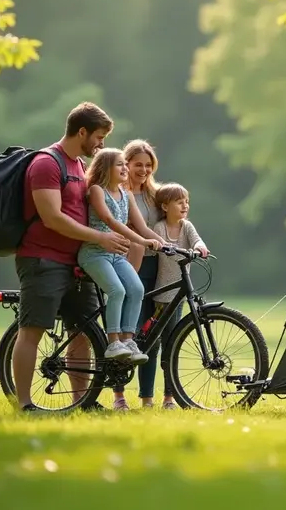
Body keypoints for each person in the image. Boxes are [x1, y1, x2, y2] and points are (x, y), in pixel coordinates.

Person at [12, 101, 129, 413]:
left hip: (77, 264)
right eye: (99, 137)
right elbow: (52, 217)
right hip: (44, 260)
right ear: (82, 132)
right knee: (32, 330)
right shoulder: (47, 163)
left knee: (82, 334)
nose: (102, 144)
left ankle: (83, 402)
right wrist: (100, 238)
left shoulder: (79, 165)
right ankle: (25, 404)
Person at [78, 147, 164, 369]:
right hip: (94, 254)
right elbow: (110, 221)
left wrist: (166, 245)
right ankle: (113, 342)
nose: (125, 168)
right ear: (105, 167)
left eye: (125, 164)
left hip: (115, 255)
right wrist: (143, 243)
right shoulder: (97, 190)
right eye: (120, 164)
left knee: (137, 290)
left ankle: (128, 340)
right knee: (117, 290)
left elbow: (143, 227)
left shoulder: (126, 195)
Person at [149, 182, 210, 410]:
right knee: (152, 345)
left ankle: (168, 398)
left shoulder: (186, 227)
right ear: (165, 206)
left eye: (187, 201)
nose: (185, 205)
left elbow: (197, 240)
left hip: (178, 296)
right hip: (161, 294)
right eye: (179, 201)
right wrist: (167, 248)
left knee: (171, 345)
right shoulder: (159, 228)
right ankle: (147, 396)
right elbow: (160, 247)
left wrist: (201, 248)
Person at [119, 139, 168, 408]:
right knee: (127, 332)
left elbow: (175, 219)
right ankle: (119, 396)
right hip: (125, 264)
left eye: (148, 165)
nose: (144, 170)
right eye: (138, 164)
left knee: (152, 336)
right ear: (126, 164)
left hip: (155, 268)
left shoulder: (156, 196)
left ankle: (147, 398)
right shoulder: (115, 193)